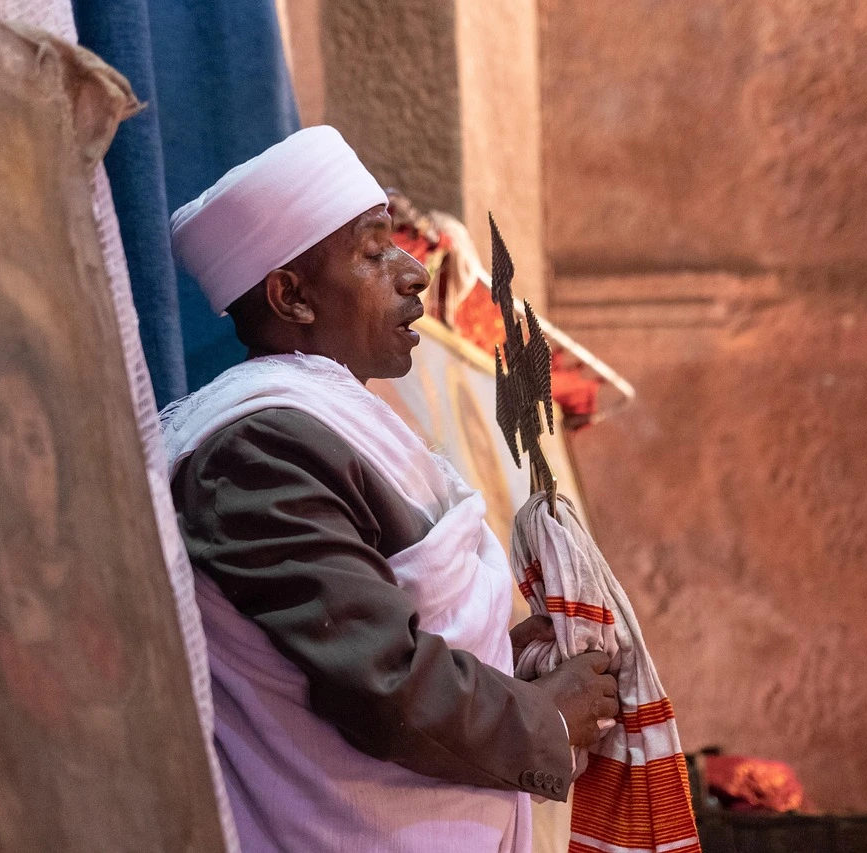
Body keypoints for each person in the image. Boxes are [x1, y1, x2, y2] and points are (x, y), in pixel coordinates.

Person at [162, 125, 618, 853]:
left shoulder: (328, 424)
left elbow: (368, 628)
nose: (413, 273)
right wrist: (546, 716)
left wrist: (499, 652)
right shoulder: (258, 448)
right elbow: (376, 680)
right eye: (374, 252)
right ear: (292, 296)